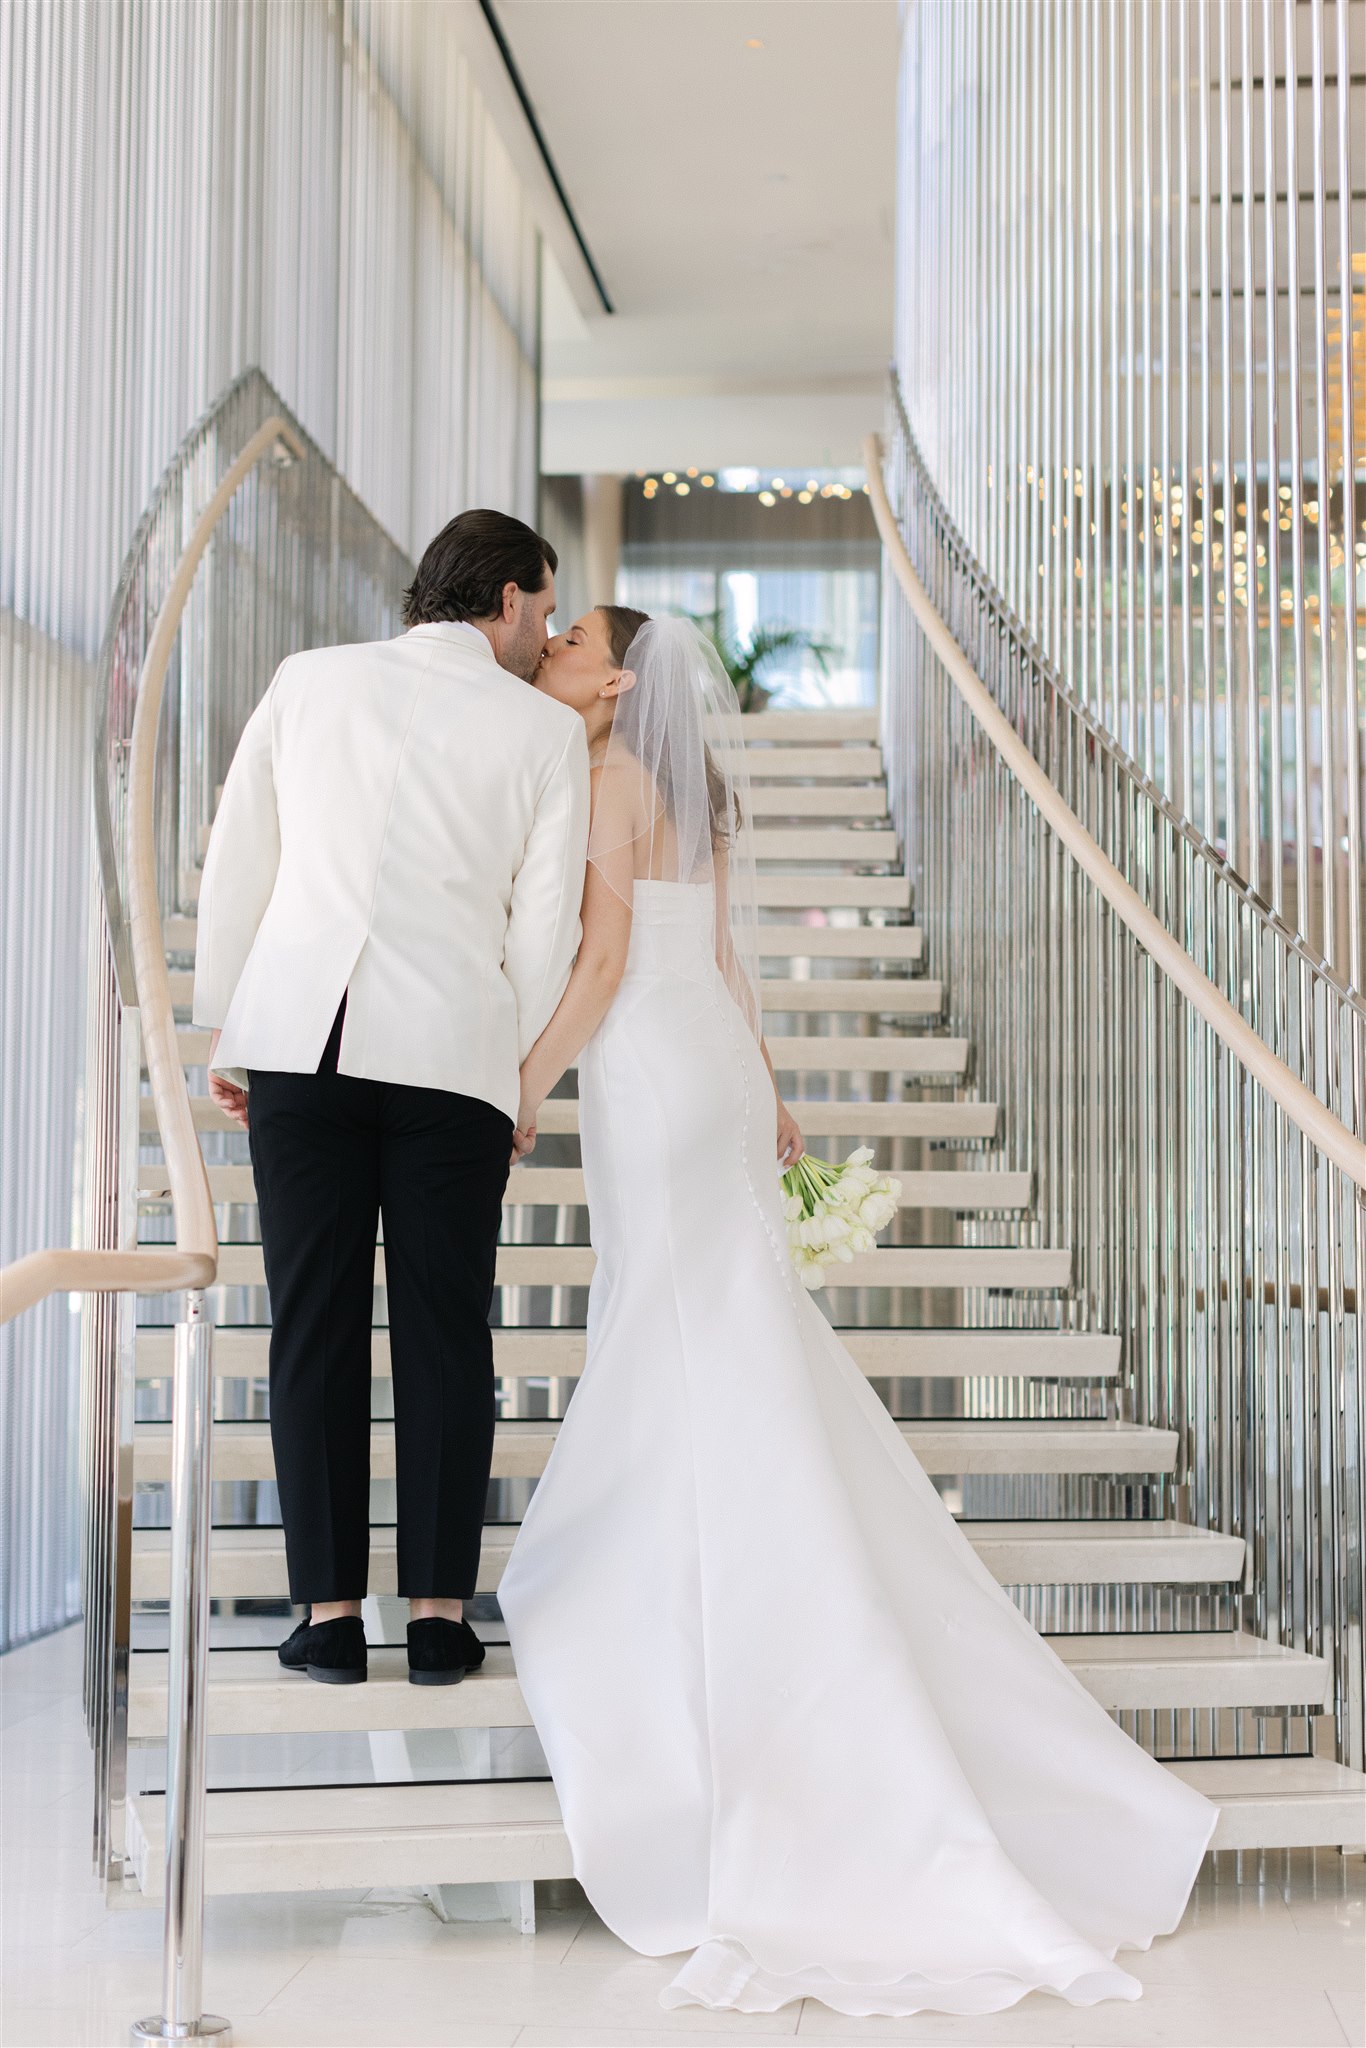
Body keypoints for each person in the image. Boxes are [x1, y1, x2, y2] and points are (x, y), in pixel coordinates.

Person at [497, 608, 1217, 2019]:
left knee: (671, 1321)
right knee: (717, 1325)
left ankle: (693, 1565)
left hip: (644, 1071)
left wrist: (524, 1080)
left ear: (622, 674)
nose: (559, 641)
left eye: (577, 629)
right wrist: (765, 1087)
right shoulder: (694, 789)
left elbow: (595, 970)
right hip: (705, 1058)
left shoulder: (607, 785)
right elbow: (721, 963)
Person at [192, 510, 589, 1688]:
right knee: (444, 1333)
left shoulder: (308, 681)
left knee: (311, 1324)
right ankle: (434, 1616)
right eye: (547, 608)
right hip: (451, 1056)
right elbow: (545, 922)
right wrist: (509, 1070)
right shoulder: (542, 730)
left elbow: (241, 855)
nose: (549, 632)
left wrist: (233, 1015)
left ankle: (324, 1614)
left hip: (301, 1039)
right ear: (509, 599)